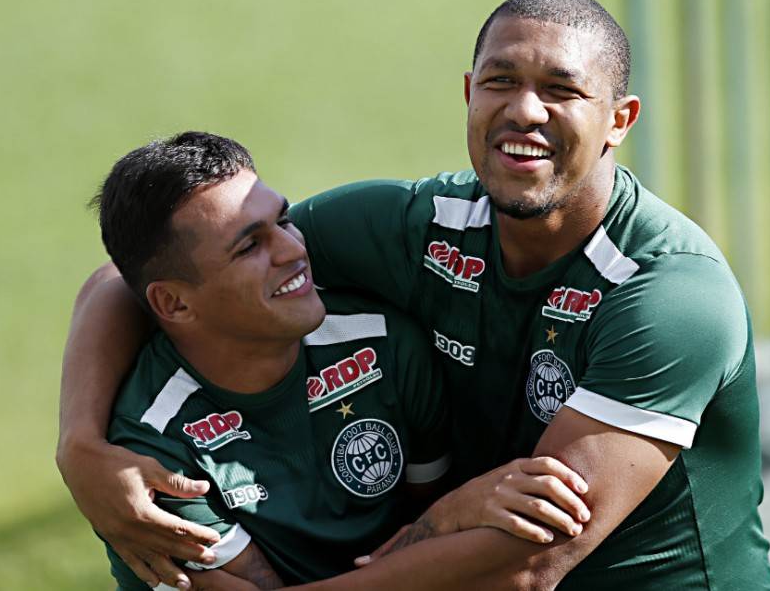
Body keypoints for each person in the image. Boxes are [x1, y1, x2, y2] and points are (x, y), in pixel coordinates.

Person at [58, 0, 770, 590]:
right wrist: (82, 450)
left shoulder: (673, 294)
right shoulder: (415, 226)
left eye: (561, 90)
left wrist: (439, 519)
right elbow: (145, 274)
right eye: (500, 81)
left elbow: (528, 562)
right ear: (468, 93)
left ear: (620, 119)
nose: (525, 110)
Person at [77, 131, 590, 590]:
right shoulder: (151, 458)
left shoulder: (385, 344)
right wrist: (449, 521)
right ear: (173, 303)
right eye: (249, 247)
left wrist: (444, 517)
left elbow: (427, 510)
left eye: (283, 220)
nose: (292, 250)